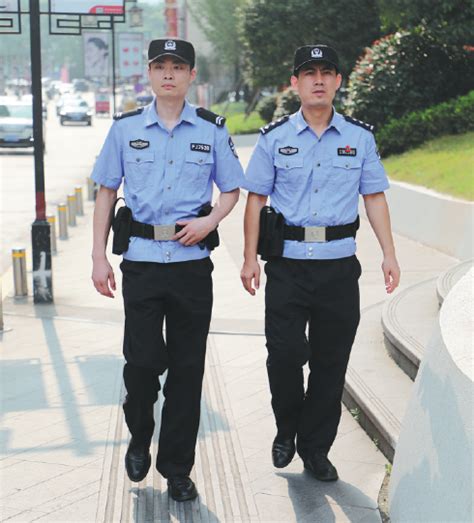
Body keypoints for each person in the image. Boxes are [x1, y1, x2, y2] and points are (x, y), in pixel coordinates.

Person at [91, 38, 243, 501]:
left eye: (178, 66)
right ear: (150, 74)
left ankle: (177, 467)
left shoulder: (213, 130)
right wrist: (98, 256)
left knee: (186, 369)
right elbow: (104, 192)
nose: (169, 74)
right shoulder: (124, 129)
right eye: (161, 66)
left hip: (192, 267)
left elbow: (232, 189)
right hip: (140, 262)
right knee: (142, 364)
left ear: (192, 75)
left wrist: (210, 219)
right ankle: (139, 434)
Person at [240, 44, 400, 481]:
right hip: (288, 267)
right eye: (308, 73)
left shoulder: (359, 138)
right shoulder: (274, 138)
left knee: (331, 363)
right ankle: (286, 427)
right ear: (294, 83)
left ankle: (315, 449)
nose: (318, 80)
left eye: (327, 72)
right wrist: (249, 257)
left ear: (338, 82)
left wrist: (389, 253)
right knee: (284, 355)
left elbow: (374, 197)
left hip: (337, 267)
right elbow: (255, 200)